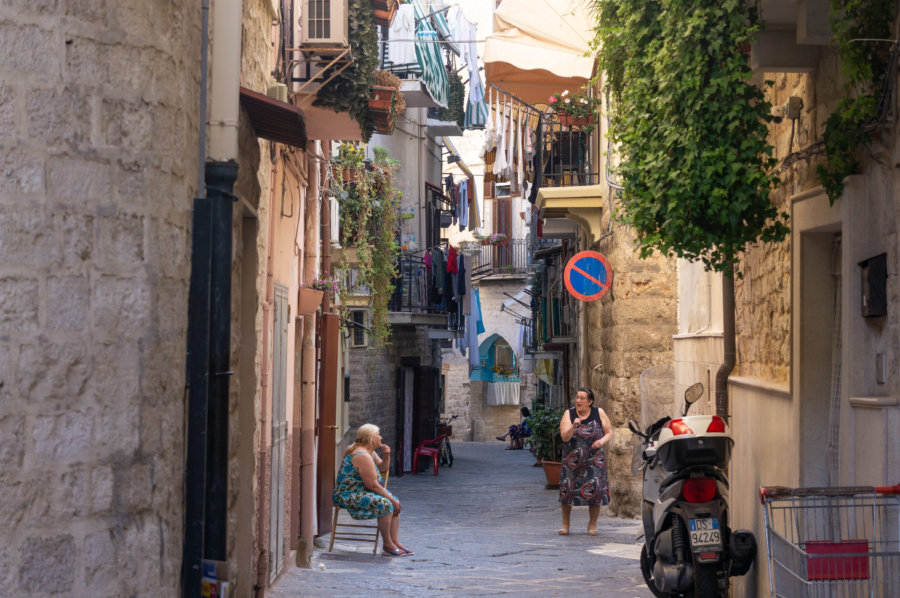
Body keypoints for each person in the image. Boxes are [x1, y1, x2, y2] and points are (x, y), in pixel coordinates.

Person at [332, 423, 412, 556]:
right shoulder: (362, 455)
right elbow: (373, 485)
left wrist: (387, 456)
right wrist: (390, 499)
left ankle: (395, 541)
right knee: (386, 504)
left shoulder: (370, 452)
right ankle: (387, 544)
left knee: (395, 501)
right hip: (348, 494)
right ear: (371, 438)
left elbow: (382, 468)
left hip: (359, 491)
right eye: (378, 434)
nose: (381, 437)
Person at [557, 387, 612, 536]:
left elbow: (609, 433)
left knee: (595, 491)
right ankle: (565, 524)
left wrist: (601, 441)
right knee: (567, 492)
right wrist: (574, 426)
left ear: (590, 401)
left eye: (582, 398)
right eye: (577, 397)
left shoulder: (598, 413)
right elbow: (564, 437)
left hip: (594, 459)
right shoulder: (569, 414)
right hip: (572, 460)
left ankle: (592, 524)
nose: (578, 401)